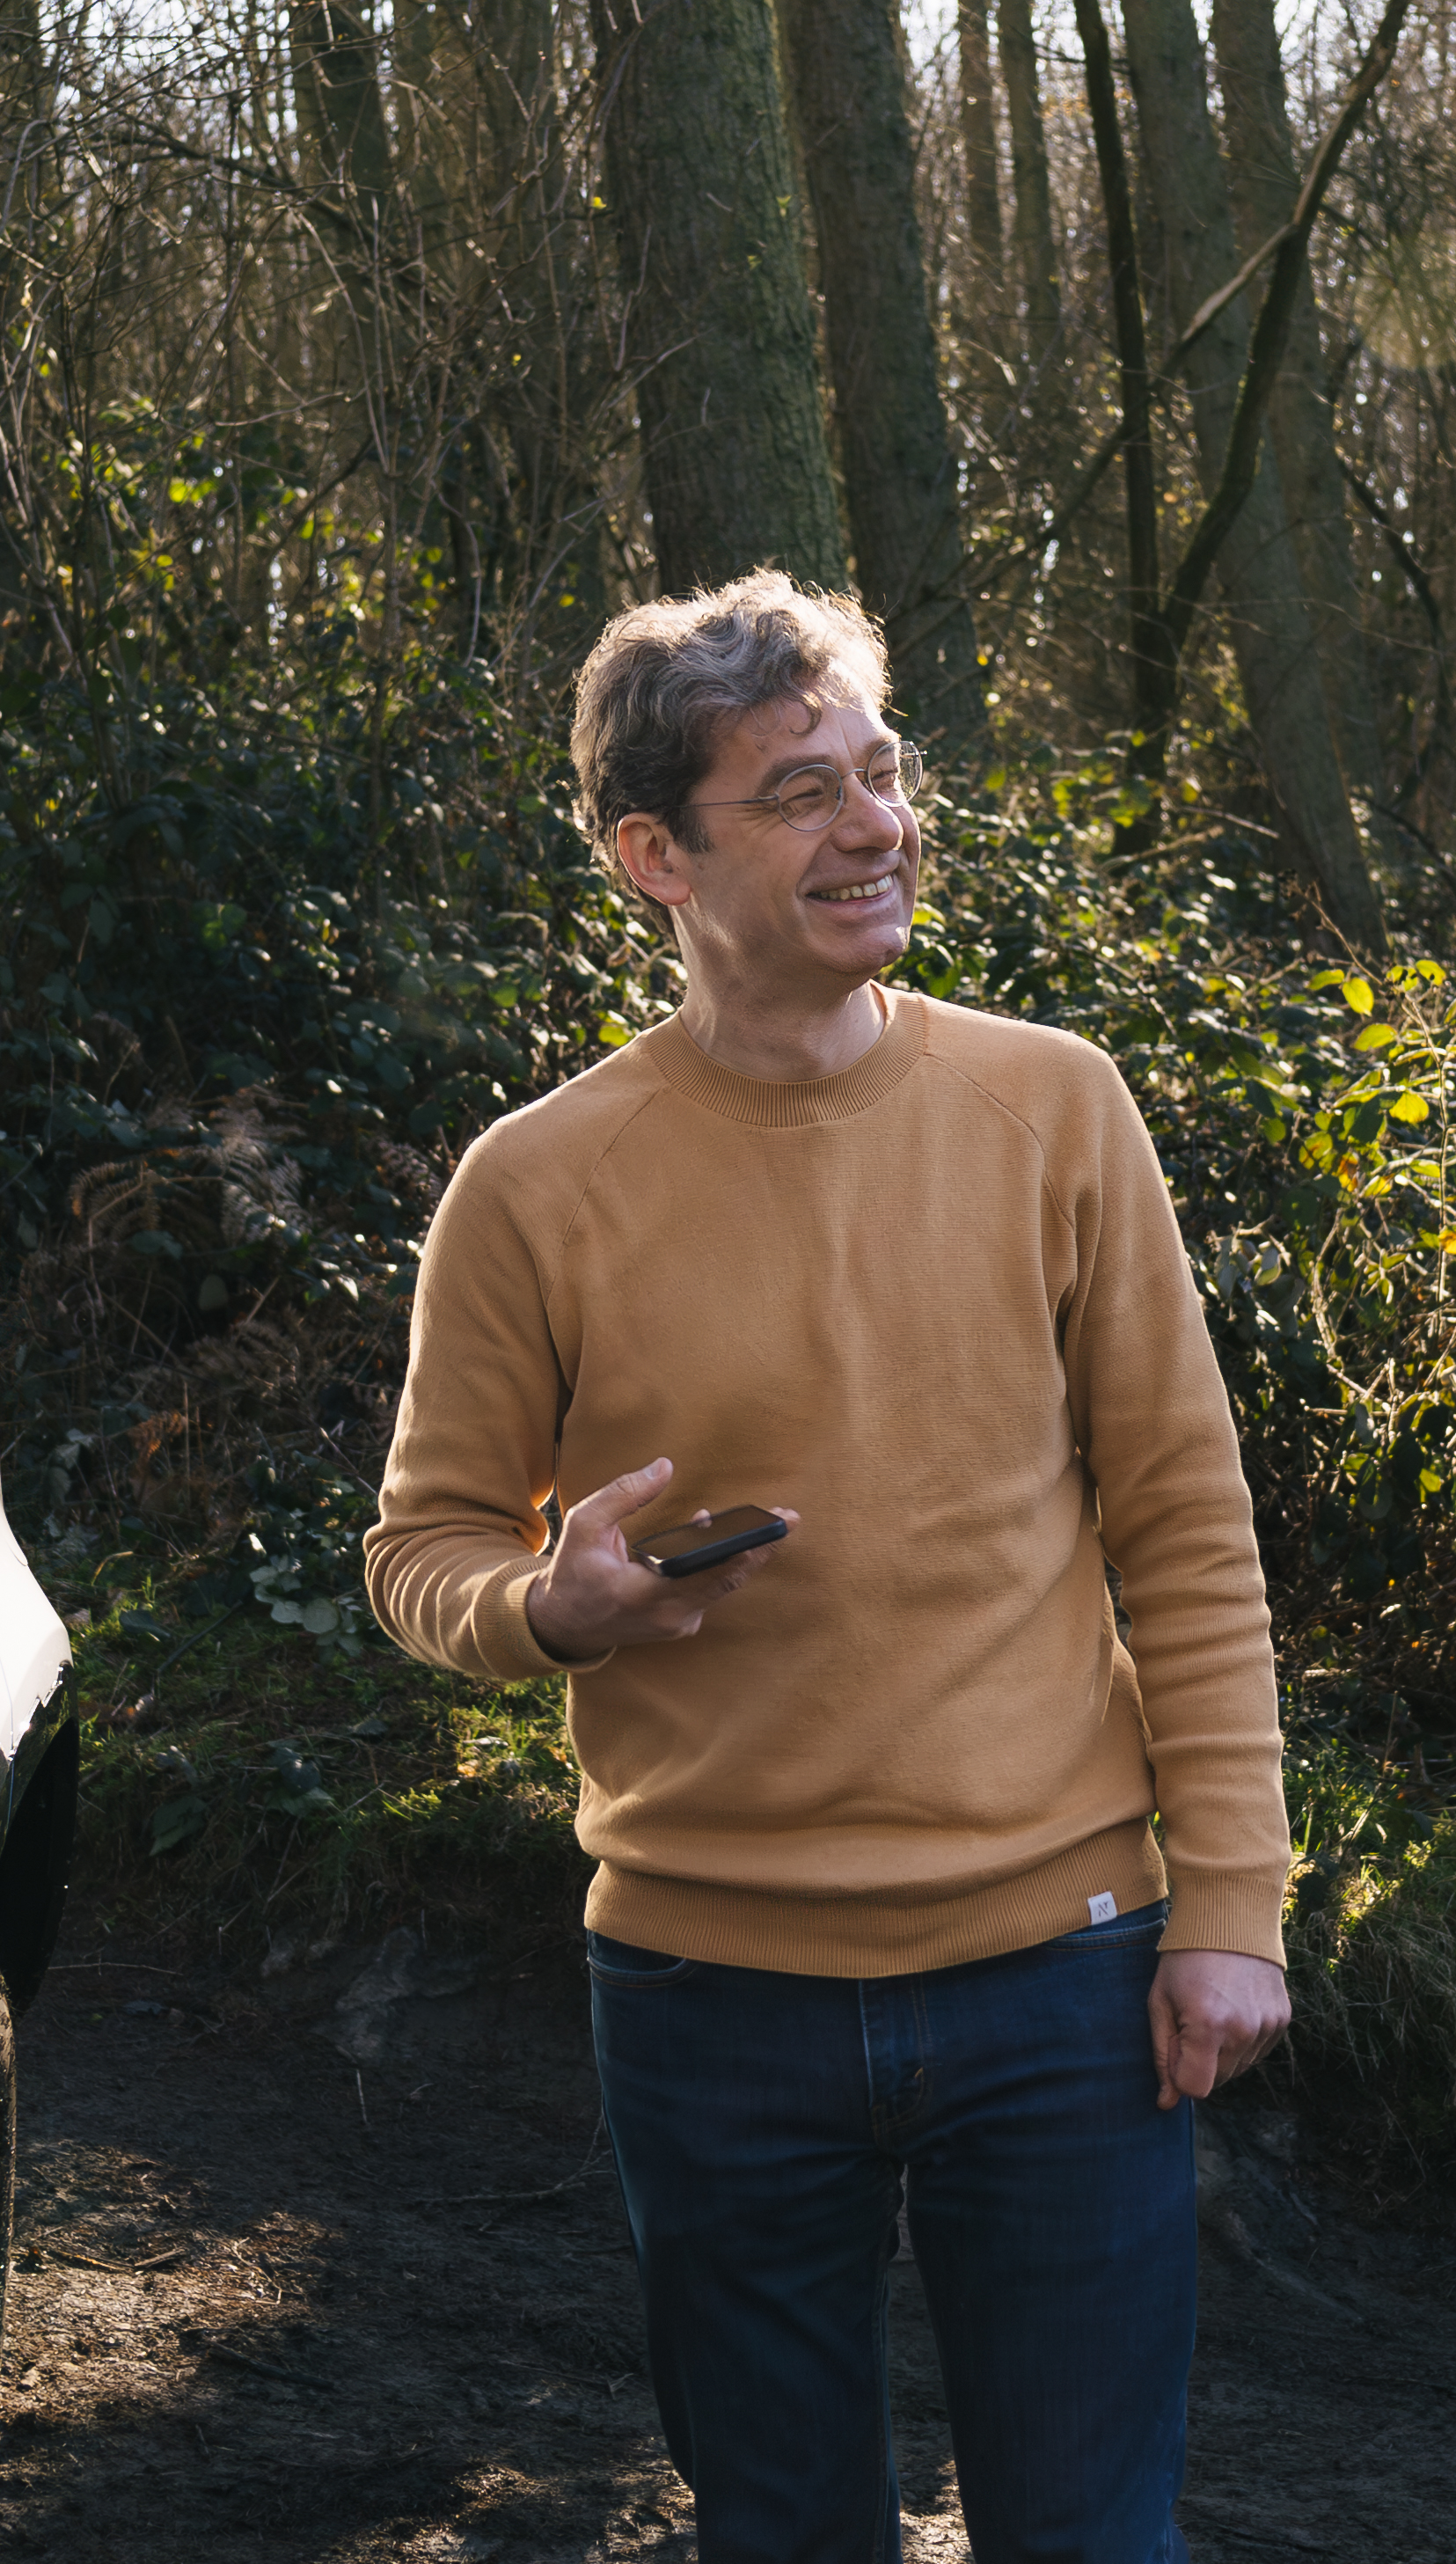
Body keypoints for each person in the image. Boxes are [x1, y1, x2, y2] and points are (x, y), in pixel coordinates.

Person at [362, 575, 1291, 2564]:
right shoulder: (534, 1182)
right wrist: (546, 1604)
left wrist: (1231, 1901)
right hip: (705, 1993)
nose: (872, 822)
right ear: (653, 856)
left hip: (1063, 1973)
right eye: (796, 791)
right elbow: (420, 1548)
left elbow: (1186, 1534)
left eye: (879, 771)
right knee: (781, 2536)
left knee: (1087, 2540)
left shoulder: (1052, 1105)